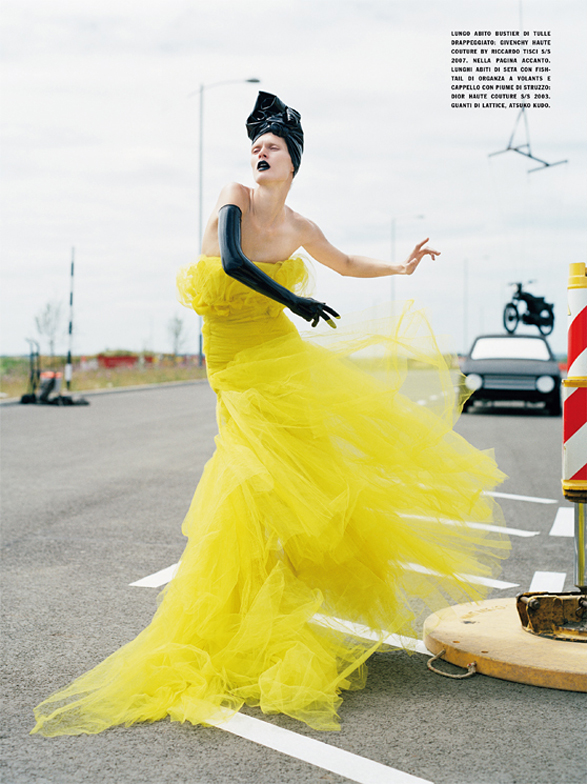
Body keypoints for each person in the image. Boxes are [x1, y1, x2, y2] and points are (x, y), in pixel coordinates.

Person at [32, 92, 509, 737]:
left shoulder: (300, 228)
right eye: (255, 144)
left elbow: (344, 263)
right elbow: (231, 261)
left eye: (272, 146)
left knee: (300, 468)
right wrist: (298, 301)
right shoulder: (234, 194)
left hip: (278, 347)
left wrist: (399, 265)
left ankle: (280, 586)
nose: (259, 151)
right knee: (247, 466)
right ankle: (236, 608)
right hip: (232, 353)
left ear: (293, 162)